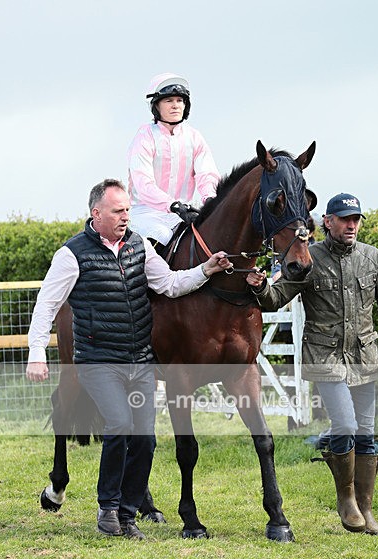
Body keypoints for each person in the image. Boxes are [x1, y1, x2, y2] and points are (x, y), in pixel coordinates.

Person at [27, 178, 232, 539]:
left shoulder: (139, 246)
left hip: (139, 360)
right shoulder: (72, 254)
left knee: (146, 439)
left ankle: (127, 513)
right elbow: (46, 305)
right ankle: (107, 508)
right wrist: (36, 353)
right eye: (118, 211)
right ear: (97, 213)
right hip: (98, 360)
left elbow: (169, 284)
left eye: (127, 210)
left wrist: (206, 270)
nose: (126, 217)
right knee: (120, 424)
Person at [247, 193, 378, 537]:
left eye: (356, 219)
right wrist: (262, 287)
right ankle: (346, 499)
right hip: (325, 358)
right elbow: (278, 297)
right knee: (346, 425)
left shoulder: (373, 258)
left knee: (366, 435)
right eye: (345, 219)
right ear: (327, 221)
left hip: (365, 357)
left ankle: (366, 511)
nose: (351, 225)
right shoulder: (310, 258)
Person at [127, 72, 220, 246]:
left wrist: (210, 200)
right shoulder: (144, 136)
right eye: (169, 101)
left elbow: (207, 175)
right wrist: (173, 205)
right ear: (156, 106)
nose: (175, 106)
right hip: (147, 214)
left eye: (180, 100)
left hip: (184, 213)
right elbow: (144, 184)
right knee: (162, 235)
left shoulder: (195, 137)